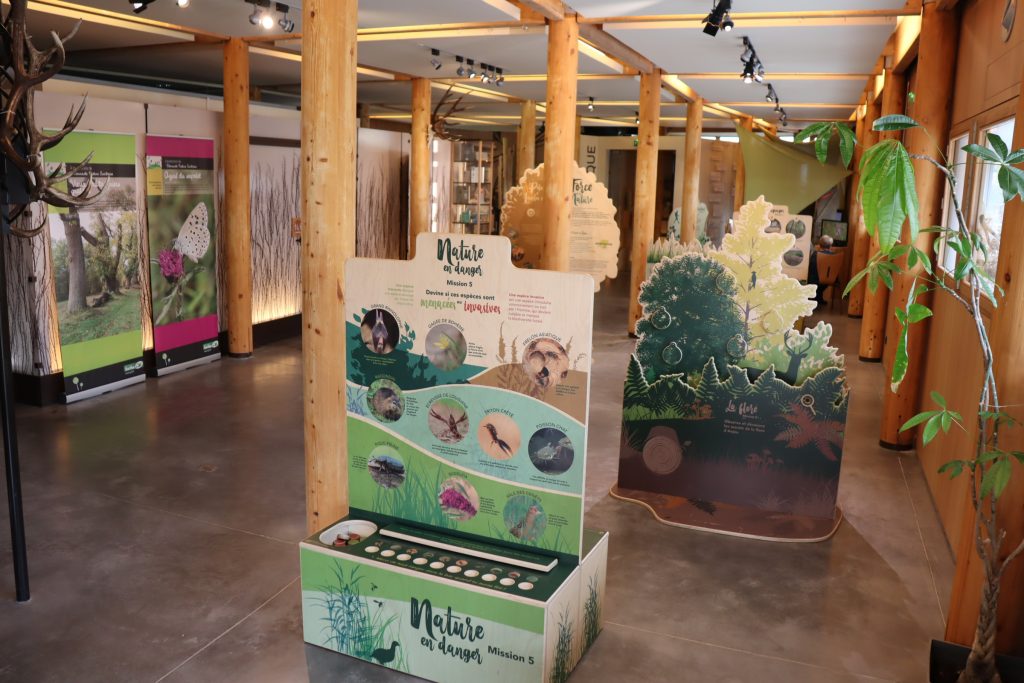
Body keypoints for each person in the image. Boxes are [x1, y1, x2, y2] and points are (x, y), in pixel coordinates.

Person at [807, 234, 835, 306]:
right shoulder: (833, 255)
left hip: (814, 279)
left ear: (820, 245)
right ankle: (818, 297)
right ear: (830, 245)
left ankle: (815, 297)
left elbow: (811, 267)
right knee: (823, 281)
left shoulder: (815, 254)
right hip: (829, 279)